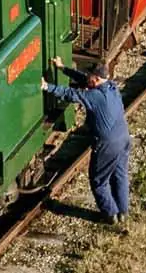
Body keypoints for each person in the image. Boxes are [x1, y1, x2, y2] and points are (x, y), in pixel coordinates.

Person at [43, 63, 133, 223]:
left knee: (99, 182)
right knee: (120, 175)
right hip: (124, 138)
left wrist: (46, 87)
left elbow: (70, 94)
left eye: (90, 75)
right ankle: (123, 212)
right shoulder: (112, 87)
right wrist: (63, 68)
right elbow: (85, 80)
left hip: (107, 145)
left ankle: (110, 214)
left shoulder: (95, 97)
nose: (87, 77)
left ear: (97, 78)